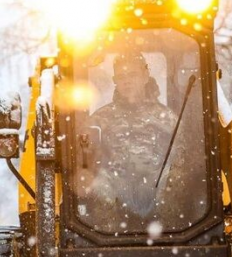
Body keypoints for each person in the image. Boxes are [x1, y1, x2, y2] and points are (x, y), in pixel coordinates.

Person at [80, 52, 192, 232]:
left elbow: (182, 157)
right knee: (99, 184)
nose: (127, 81)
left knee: (175, 178)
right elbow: (85, 157)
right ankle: (110, 241)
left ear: (145, 76)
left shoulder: (167, 119)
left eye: (132, 75)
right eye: (121, 76)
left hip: (155, 184)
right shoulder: (100, 119)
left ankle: (171, 238)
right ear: (115, 80)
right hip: (116, 185)